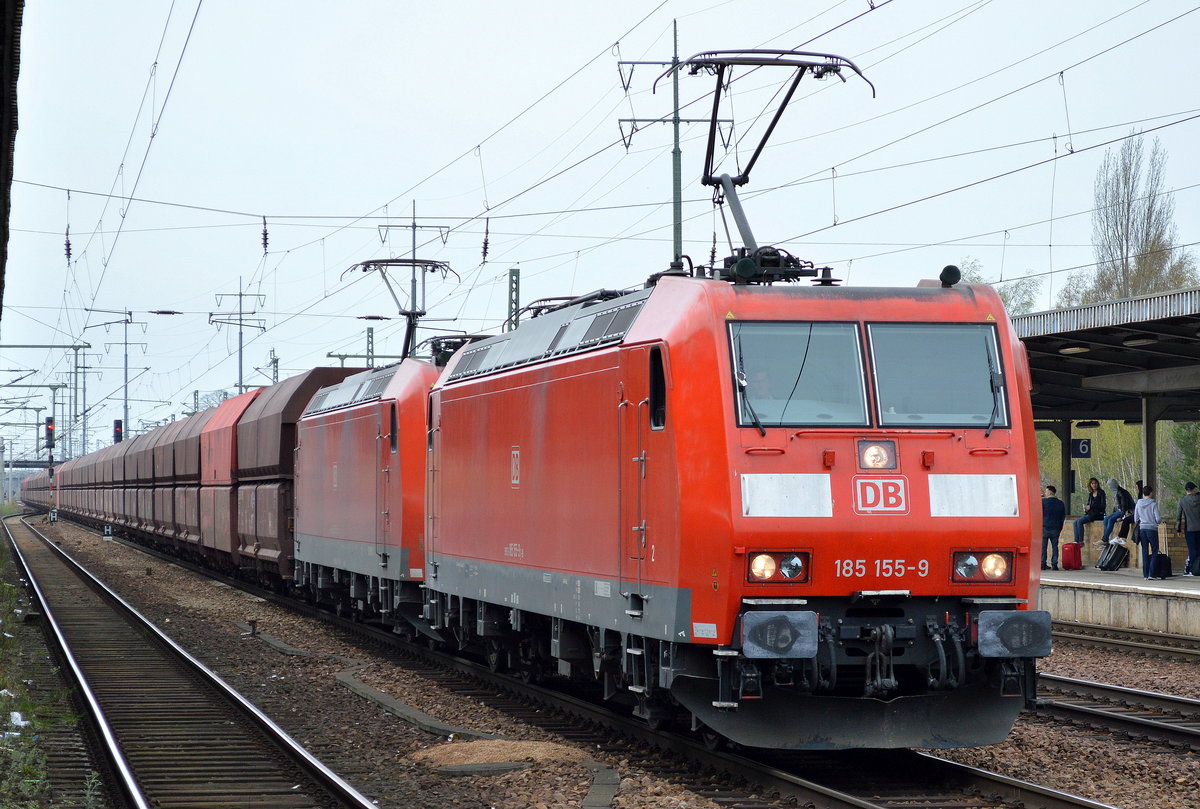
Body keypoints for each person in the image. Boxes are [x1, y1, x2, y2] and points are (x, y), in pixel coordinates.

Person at [1134, 484, 1162, 579]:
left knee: (1144, 551)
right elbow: (1158, 518)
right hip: (1152, 529)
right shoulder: (1153, 504)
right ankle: (1152, 574)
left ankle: (1145, 575)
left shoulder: (1138, 503)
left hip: (1142, 529)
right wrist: (1156, 522)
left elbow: (1135, 518)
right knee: (1154, 550)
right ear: (1151, 493)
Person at [1175, 481, 1200, 577]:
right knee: (1198, 549)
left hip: (1189, 528)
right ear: (1193, 489)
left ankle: (1191, 569)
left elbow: (1178, 516)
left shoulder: (1182, 500)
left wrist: (1178, 529)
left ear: (1186, 490)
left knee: (1192, 549)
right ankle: (1197, 568)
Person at [1100, 478, 1135, 543]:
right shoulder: (1116, 492)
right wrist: (1114, 513)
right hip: (1119, 510)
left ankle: (1104, 539)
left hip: (1123, 511)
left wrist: (1122, 516)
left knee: (1111, 520)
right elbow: (1116, 505)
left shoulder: (1121, 493)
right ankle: (1105, 537)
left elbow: (1124, 506)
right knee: (1106, 519)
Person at [1072, 477, 1106, 543]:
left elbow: (1103, 506)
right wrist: (1086, 508)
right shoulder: (1090, 494)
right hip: (1090, 513)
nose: (1094, 485)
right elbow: (1089, 504)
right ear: (1090, 485)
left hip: (1097, 514)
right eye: (1092, 483)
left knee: (1080, 522)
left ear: (1097, 484)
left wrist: (1091, 506)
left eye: (1095, 483)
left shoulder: (1101, 493)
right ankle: (1076, 541)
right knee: (1075, 522)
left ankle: (1081, 541)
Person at [1041, 485, 1066, 570]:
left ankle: (1042, 563)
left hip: (1044, 527)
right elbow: (1062, 517)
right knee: (1055, 546)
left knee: (1043, 546)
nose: (1045, 493)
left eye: (1046, 491)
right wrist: (1060, 528)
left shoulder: (1043, 502)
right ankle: (1054, 564)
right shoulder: (1060, 503)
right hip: (1056, 527)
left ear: (1050, 492)